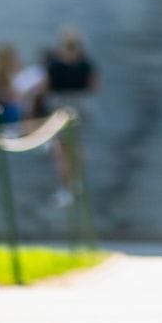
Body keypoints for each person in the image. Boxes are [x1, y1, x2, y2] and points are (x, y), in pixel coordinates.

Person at [42, 26, 99, 206]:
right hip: (82, 106)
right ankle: (75, 182)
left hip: (61, 107)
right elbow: (93, 87)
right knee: (76, 147)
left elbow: (46, 88)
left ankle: (67, 187)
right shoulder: (87, 64)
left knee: (61, 152)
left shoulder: (54, 65)